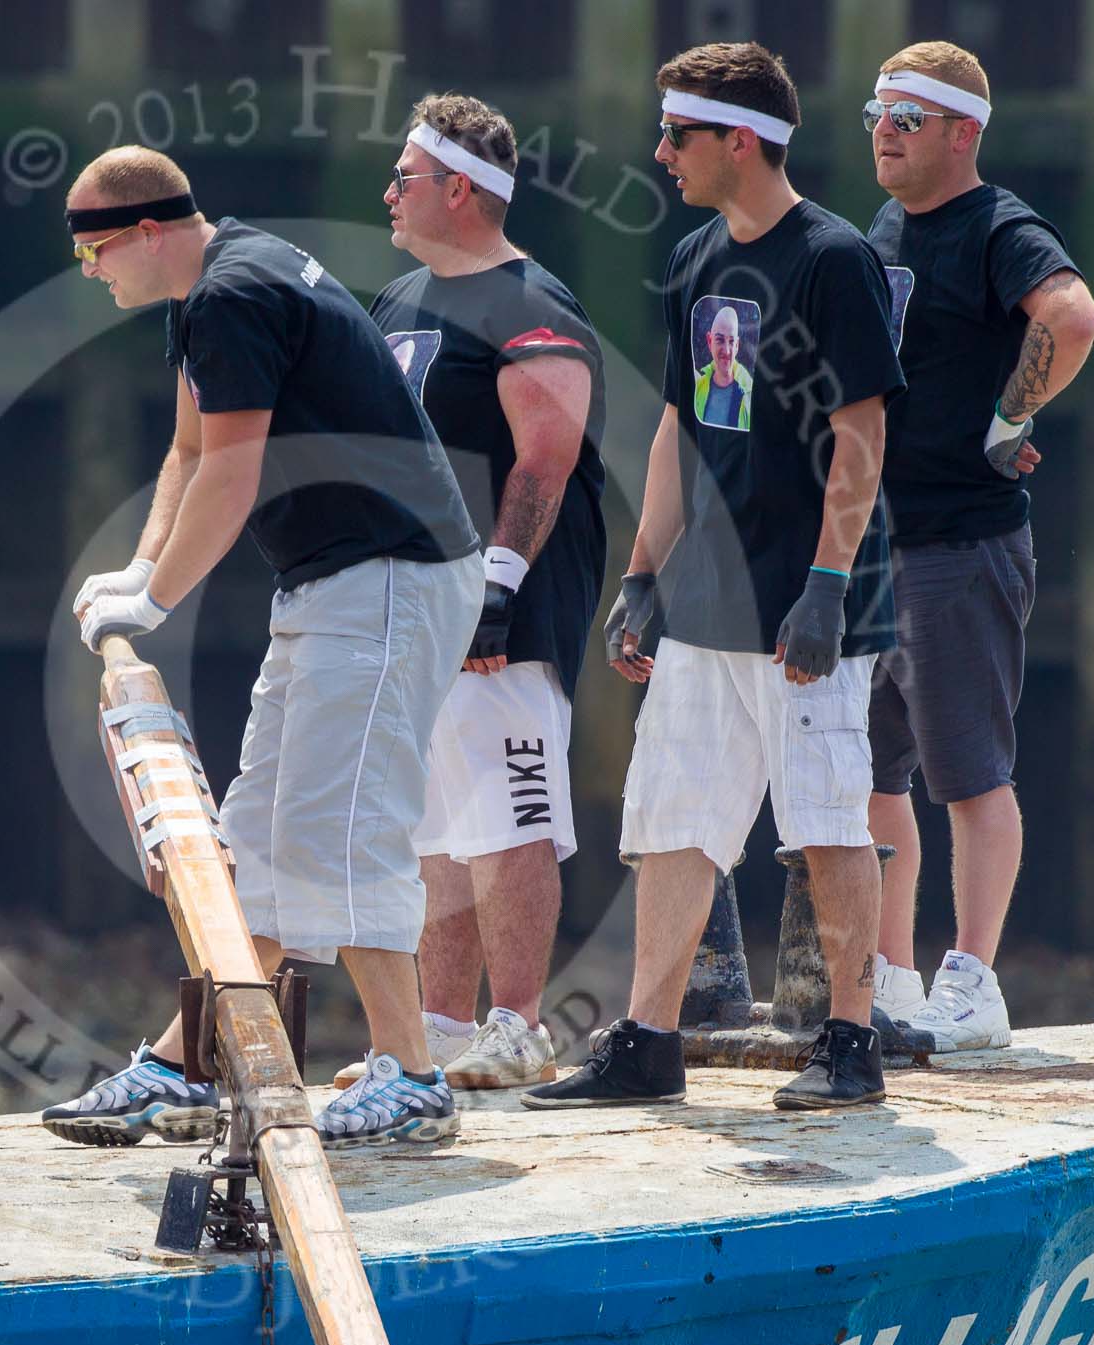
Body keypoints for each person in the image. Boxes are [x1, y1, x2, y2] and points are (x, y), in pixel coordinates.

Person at [47, 146, 484, 1150]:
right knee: (258, 836)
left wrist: (155, 599)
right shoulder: (214, 285)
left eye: (96, 249)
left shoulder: (233, 294)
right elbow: (187, 453)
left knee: (343, 828)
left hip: (388, 576)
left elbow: (231, 477)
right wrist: (136, 570)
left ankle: (413, 1077)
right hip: (331, 581)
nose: (88, 270)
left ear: (150, 231)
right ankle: (184, 1067)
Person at [523, 42, 905, 1112]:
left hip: (805, 600)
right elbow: (678, 431)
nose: (660, 154)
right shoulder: (694, 258)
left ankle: (848, 1039)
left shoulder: (831, 260)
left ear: (739, 141)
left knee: (825, 818)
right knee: (671, 818)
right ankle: (646, 1041)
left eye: (677, 136)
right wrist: (643, 574)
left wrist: (829, 583)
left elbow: (860, 430)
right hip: (705, 600)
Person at [356, 91, 607, 1091]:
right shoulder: (397, 303)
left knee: (511, 810)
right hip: (415, 599)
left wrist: (496, 587)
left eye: (404, 178)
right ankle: (439, 1027)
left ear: (457, 189)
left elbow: (544, 457)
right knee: (434, 828)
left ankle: (517, 1026)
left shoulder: (528, 303)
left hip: (506, 603)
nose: (387, 192)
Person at [861, 43, 1094, 1050]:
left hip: (959, 544)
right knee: (869, 776)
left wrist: (1010, 416)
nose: (883, 130)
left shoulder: (997, 226)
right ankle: (884, 980)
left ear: (962, 132)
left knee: (967, 773)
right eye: (875, 112)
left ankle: (972, 982)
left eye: (907, 117)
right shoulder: (882, 227)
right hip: (872, 547)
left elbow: (1070, 315)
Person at [694, 305, 752, 430]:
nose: (726, 351)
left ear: (737, 346)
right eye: (720, 340)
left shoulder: (750, 396)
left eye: (731, 342)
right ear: (709, 341)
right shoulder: (696, 387)